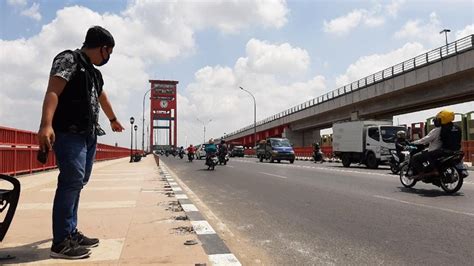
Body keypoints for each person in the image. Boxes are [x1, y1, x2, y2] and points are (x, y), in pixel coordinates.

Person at [38, 26, 124, 260]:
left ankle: (70, 233)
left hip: (88, 133)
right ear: (102, 48)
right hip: (68, 131)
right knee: (71, 181)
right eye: (109, 52)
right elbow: (53, 90)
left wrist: (113, 119)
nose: (109, 57)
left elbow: (101, 96)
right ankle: (61, 243)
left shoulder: (94, 73)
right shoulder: (69, 59)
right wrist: (46, 124)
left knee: (78, 182)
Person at [411, 110, 460, 179]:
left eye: (438, 119)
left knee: (417, 157)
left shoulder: (439, 129)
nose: (436, 121)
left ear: (443, 119)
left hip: (442, 150)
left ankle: (428, 172)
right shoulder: (457, 127)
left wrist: (414, 142)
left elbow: (426, 139)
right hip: (455, 149)